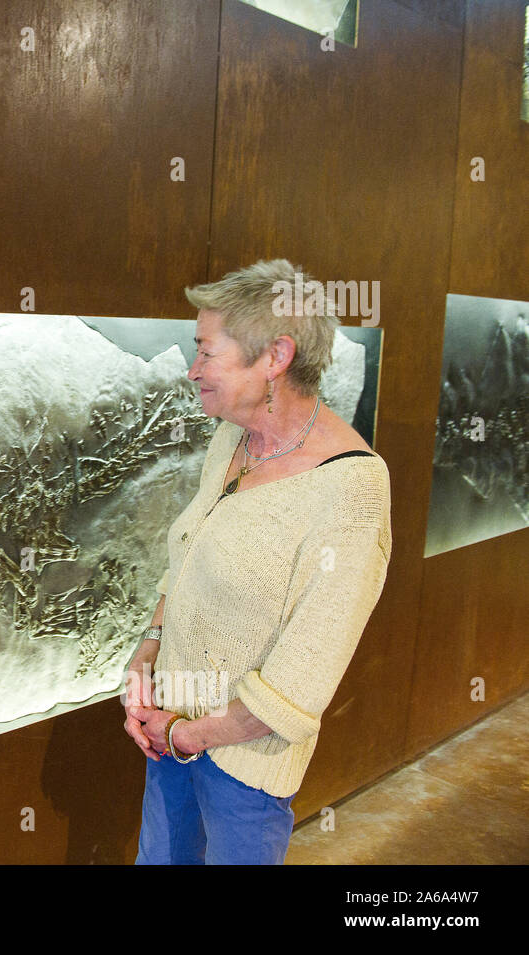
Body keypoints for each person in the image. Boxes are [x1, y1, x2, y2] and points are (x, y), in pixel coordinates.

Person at [123, 259, 392, 865]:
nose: (193, 370)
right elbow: (187, 556)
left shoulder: (351, 489)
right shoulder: (233, 437)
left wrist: (188, 735)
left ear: (275, 357)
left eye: (206, 352)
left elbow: (303, 678)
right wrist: (150, 649)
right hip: (171, 730)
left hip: (242, 767)